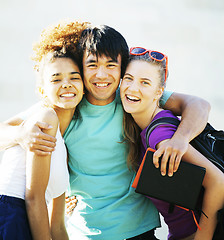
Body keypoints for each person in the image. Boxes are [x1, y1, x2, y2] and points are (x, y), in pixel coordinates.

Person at [0, 25, 211, 240]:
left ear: (123, 69)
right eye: (92, 65)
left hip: (139, 231)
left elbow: (198, 105)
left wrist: (181, 139)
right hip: (84, 233)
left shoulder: (131, 97)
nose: (101, 75)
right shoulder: (67, 104)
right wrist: (20, 135)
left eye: (111, 65)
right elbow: (4, 130)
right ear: (81, 68)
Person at [120, 47, 224, 240]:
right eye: (129, 78)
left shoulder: (160, 134)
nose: (133, 88)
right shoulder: (143, 124)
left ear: (159, 92)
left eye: (145, 82)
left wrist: (204, 238)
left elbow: (218, 182)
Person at [0, 20, 88, 240]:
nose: (66, 84)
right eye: (56, 79)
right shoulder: (44, 117)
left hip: (27, 220)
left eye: (74, 78)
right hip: (10, 214)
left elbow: (57, 226)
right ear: (42, 89)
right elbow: (33, 198)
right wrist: (20, 134)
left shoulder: (65, 144)